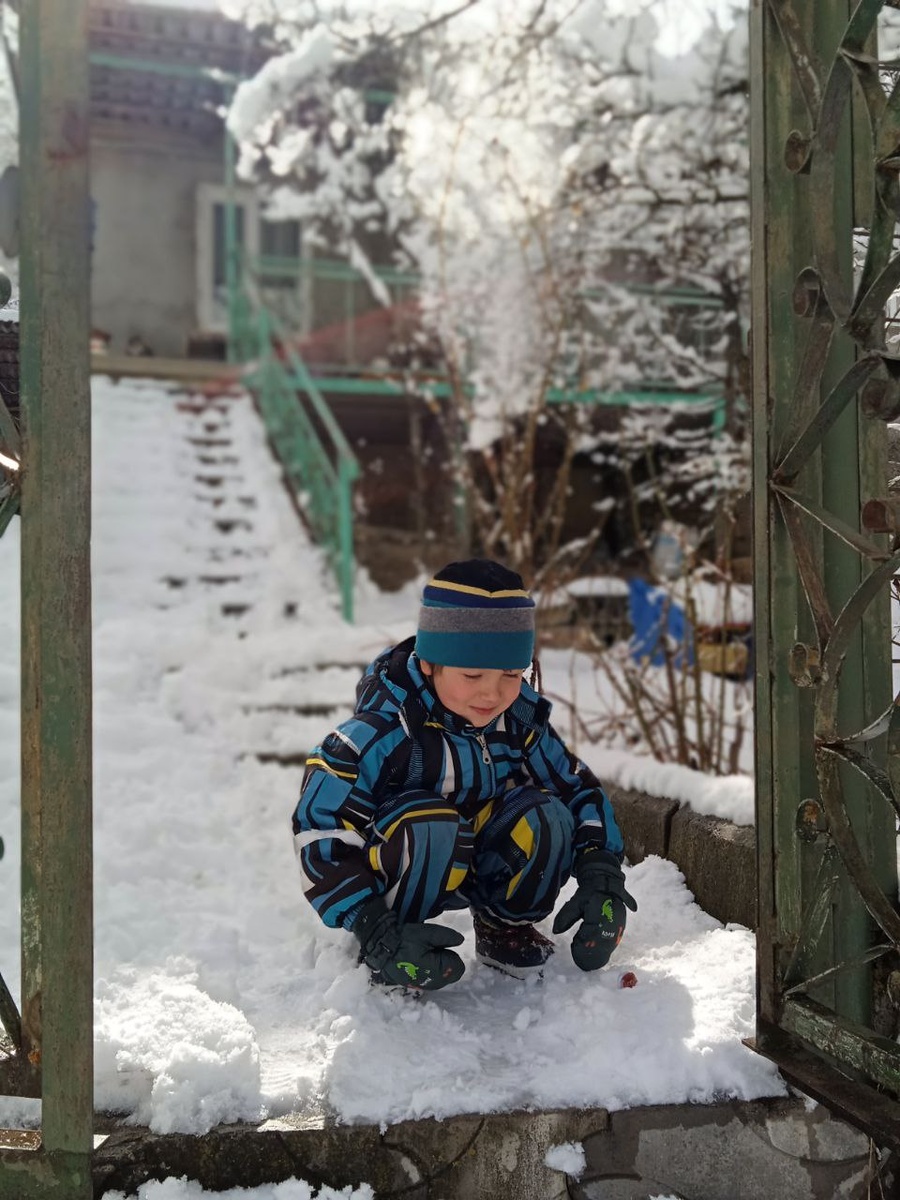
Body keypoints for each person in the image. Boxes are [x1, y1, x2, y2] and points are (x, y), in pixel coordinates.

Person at [292, 558, 636, 991]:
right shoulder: (379, 734)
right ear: (430, 662)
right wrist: (371, 924)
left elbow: (575, 788)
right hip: (405, 869)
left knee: (546, 815)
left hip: (485, 856)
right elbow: (320, 831)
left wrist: (600, 869)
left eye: (511, 674)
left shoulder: (517, 720)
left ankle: (503, 929)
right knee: (430, 825)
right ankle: (394, 950)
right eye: (472, 674)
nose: (491, 693)